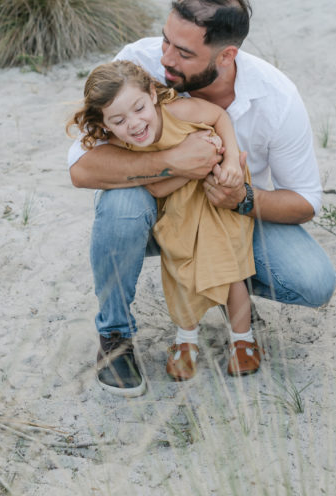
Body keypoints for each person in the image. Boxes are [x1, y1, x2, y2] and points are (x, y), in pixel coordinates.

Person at [69, 0, 336, 396]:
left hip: (228, 213)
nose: (165, 58)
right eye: (166, 40)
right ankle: (115, 337)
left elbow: (305, 202)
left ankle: (227, 290)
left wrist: (242, 198)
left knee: (313, 281)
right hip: (157, 214)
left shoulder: (277, 98)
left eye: (184, 53)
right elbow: (83, 169)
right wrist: (171, 163)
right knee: (121, 204)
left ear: (227, 55)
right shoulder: (137, 67)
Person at [67, 60, 259, 383]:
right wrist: (187, 167)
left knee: (229, 271)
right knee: (181, 272)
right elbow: (155, 186)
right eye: (118, 120)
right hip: (179, 208)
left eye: (139, 108)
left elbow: (219, 116)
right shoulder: (121, 146)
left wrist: (230, 161)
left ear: (153, 94)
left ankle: (244, 341)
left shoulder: (178, 112)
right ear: (105, 125)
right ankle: (186, 342)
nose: (134, 123)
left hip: (213, 196)